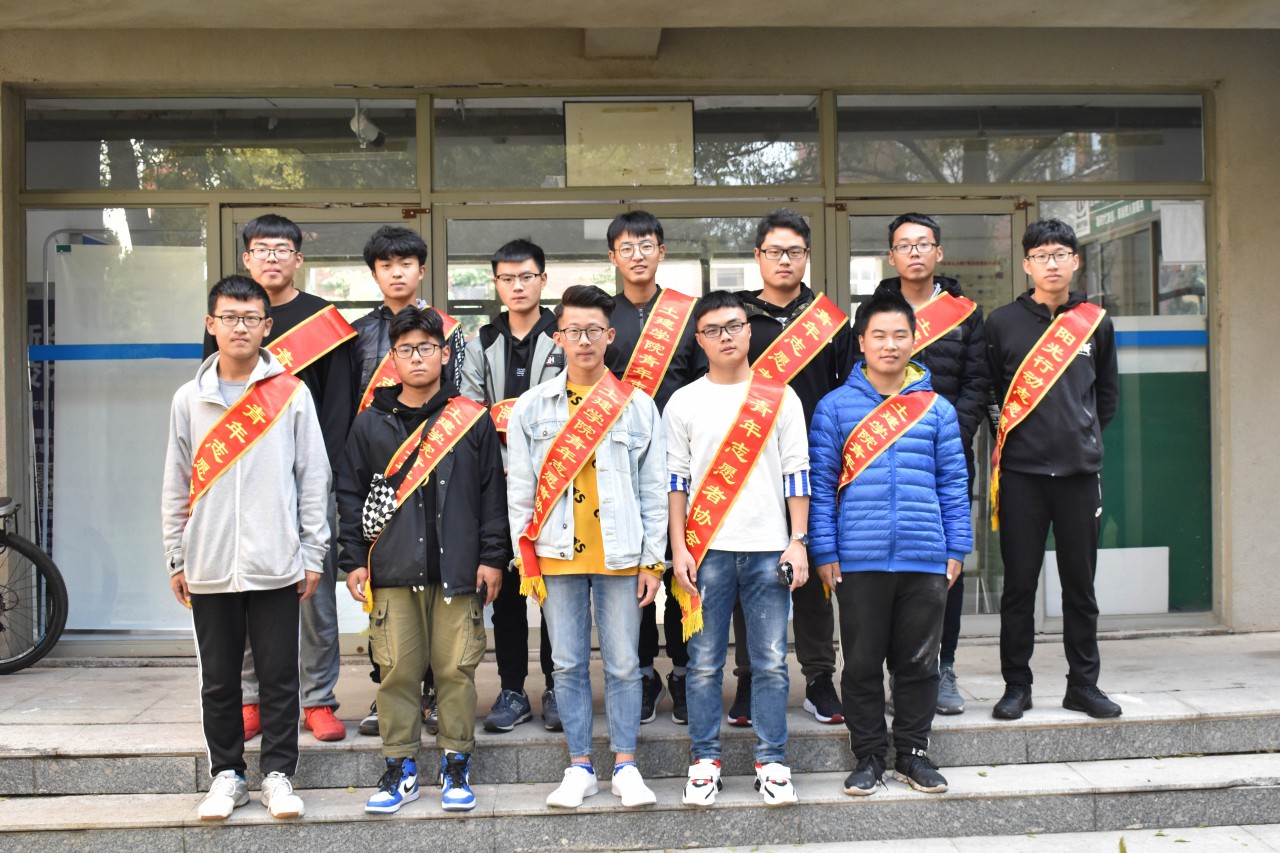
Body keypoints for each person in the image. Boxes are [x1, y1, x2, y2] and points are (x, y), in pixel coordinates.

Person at [164, 275, 330, 820]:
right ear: (211, 324)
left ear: (267, 326)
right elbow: (175, 483)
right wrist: (177, 555)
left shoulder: (292, 394)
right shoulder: (189, 399)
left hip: (275, 562)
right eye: (229, 317)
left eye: (250, 318)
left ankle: (279, 775)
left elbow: (313, 480)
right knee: (219, 680)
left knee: (280, 676)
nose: (240, 327)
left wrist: (312, 553)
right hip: (209, 562)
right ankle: (228, 775)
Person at [337, 306, 509, 814]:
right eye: (406, 349)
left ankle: (456, 762)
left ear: (444, 354)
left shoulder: (470, 419)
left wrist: (492, 557)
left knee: (456, 670)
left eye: (427, 348)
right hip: (392, 572)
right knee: (396, 672)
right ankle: (400, 767)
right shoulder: (370, 423)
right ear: (392, 358)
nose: (417, 357)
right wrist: (353, 560)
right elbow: (349, 495)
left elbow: (492, 495)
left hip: (458, 571)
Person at [506, 284, 667, 809]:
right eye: (573, 330)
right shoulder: (532, 407)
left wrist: (653, 561)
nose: (583, 340)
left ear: (610, 335)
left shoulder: (638, 406)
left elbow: (653, 490)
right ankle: (579, 767)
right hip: (555, 554)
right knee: (568, 665)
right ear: (558, 337)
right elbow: (520, 491)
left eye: (593, 330)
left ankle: (625, 765)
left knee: (624, 665)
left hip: (621, 556)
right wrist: (525, 558)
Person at [810, 290, 972, 796]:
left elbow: (954, 483)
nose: (889, 344)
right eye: (878, 335)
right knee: (861, 664)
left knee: (919, 663)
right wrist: (825, 550)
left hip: (925, 556)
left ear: (914, 340)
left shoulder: (937, 410)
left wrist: (956, 548)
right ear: (861, 342)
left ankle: (914, 753)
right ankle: (869, 756)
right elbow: (821, 487)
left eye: (900, 335)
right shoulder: (834, 408)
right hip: (858, 559)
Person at [201, 214, 355, 743]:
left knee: (314, 594)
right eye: (262, 248)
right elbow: (215, 403)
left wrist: (322, 475)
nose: (272, 257)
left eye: (281, 248)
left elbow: (339, 405)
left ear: (298, 258)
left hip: (309, 478)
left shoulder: (324, 321)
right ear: (247, 258)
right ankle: (252, 698)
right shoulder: (229, 317)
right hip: (242, 477)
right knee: (244, 588)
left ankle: (318, 700)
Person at [665, 290, 810, 808]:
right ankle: (704, 761)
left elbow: (797, 472)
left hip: (770, 550)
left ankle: (772, 762)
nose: (725, 337)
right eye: (713, 330)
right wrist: (678, 548)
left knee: (770, 663)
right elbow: (675, 481)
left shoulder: (780, 397)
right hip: (706, 553)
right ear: (699, 340)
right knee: (703, 663)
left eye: (733, 326)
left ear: (749, 331)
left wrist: (798, 541)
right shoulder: (683, 401)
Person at [986, 218, 1121, 721]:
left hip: (1079, 477)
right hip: (1021, 475)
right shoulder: (1001, 323)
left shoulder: (1095, 322)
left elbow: (1106, 397)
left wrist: (1079, 437)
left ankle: (1083, 684)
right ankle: (1016, 685)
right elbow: (992, 395)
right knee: (1019, 586)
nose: (1052, 263)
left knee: (1080, 587)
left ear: (1075, 261)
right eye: (1041, 255)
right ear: (1027, 264)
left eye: (1060, 254)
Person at [733, 208, 854, 728]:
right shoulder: (736, 317)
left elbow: (848, 392)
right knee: (751, 574)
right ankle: (749, 677)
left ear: (807, 256)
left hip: (815, 464)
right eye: (774, 251)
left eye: (795, 252)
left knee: (813, 570)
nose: (785, 260)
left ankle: (820, 677)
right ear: (758, 256)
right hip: (748, 464)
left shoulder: (830, 322)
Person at [350, 224, 465, 740]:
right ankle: (389, 691)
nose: (396, 273)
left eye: (406, 264)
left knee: (438, 583)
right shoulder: (354, 334)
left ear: (421, 269)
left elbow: (458, 396)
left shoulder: (448, 331)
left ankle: (435, 695)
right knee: (388, 588)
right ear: (374, 273)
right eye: (386, 265)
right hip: (380, 468)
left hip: (438, 460)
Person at [872, 213, 989, 715]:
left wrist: (944, 440)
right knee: (890, 566)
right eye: (904, 245)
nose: (914, 252)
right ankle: (898, 670)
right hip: (881, 459)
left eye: (923, 244)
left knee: (947, 564)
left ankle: (942, 667)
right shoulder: (875, 313)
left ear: (938, 252)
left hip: (946, 459)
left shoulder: (965, 315)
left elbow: (978, 384)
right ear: (892, 256)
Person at [459, 238, 565, 734]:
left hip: (557, 482)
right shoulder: (480, 342)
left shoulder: (563, 335)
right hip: (498, 486)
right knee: (504, 594)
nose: (517, 286)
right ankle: (512, 689)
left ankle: (558, 686)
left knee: (555, 592)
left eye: (526, 276)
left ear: (543, 279)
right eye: (507, 278)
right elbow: (471, 414)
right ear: (496, 284)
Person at [602, 210, 703, 727]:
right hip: (621, 466)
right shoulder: (601, 316)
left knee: (683, 570)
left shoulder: (689, 314)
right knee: (632, 573)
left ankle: (684, 673)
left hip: (684, 465)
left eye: (646, 245)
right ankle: (641, 674)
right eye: (627, 247)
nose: (637, 255)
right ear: (613, 257)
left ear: (662, 251)